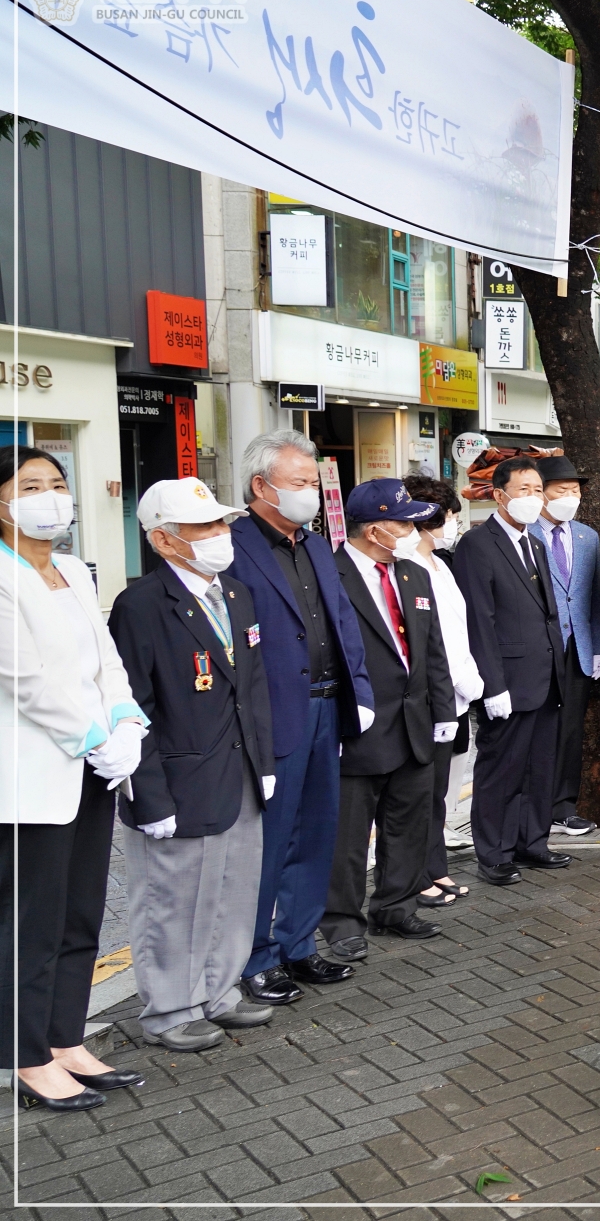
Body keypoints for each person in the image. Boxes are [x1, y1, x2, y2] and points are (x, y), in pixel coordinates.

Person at [0, 447, 149, 1109]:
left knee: (80, 912)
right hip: (32, 773)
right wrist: (93, 739)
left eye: (57, 484)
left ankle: (65, 1038)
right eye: (31, 486)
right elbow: (23, 679)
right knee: (30, 920)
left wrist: (124, 724)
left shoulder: (70, 570)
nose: (49, 497)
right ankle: (25, 1056)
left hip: (92, 769)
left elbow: (105, 660)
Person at [110, 478, 280, 1052]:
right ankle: (168, 1011)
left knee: (233, 890)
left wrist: (265, 759)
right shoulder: (140, 605)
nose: (219, 536)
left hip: (239, 773)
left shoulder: (234, 593)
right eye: (202, 528)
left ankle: (220, 991)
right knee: (172, 902)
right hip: (179, 781)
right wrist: (146, 796)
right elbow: (132, 706)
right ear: (164, 540)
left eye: (221, 524)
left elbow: (251, 686)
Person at [226, 431, 374, 1007]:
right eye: (299, 483)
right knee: (270, 839)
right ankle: (256, 957)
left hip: (327, 703)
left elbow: (342, 621)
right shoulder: (235, 545)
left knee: (317, 833)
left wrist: (357, 691)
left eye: (313, 482)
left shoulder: (314, 544)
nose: (311, 493)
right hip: (274, 714)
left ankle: (297, 942)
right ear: (262, 486)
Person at [320, 481, 459, 956]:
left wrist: (444, 711)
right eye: (403, 522)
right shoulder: (329, 575)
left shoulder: (412, 575)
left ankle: (396, 906)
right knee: (348, 836)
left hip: (415, 723)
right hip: (359, 729)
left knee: (408, 822)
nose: (412, 530)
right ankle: (342, 924)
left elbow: (432, 649)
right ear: (374, 529)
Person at [452, 456, 573, 885]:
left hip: (545, 677)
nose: (534, 498)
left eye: (538, 490)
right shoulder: (477, 545)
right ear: (500, 495)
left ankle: (532, 842)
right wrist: (492, 685)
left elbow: (547, 613)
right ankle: (495, 852)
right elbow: (478, 620)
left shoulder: (535, 542)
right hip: (507, 680)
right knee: (501, 768)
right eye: (524, 490)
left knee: (540, 766)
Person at [404, 475, 486, 901]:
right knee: (424, 793)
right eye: (451, 515)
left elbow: (461, 630)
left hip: (457, 695)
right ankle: (419, 874)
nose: (453, 523)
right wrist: (469, 681)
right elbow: (439, 640)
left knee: (445, 790)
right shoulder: (410, 569)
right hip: (437, 693)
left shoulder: (441, 563)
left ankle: (435, 867)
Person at [533, 455, 600, 837]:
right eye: (560, 491)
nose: (569, 498)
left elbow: (595, 598)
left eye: (574, 492)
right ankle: (534, 808)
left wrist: (599, 647)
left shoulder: (587, 536)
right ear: (539, 494)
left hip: (578, 647)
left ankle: (563, 807)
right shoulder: (525, 533)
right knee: (537, 731)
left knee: (570, 730)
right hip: (539, 650)